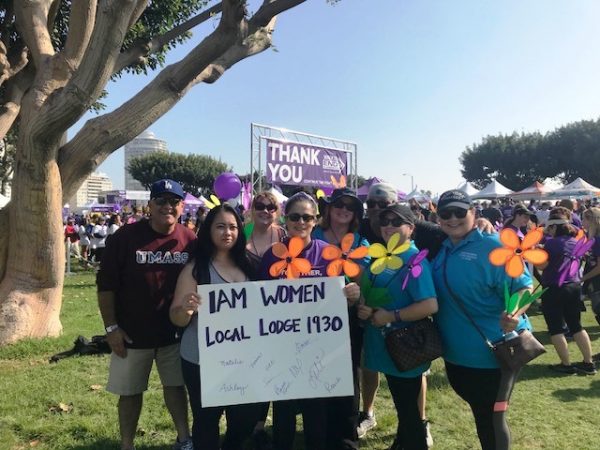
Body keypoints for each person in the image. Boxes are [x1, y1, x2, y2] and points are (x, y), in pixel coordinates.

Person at [97, 179, 196, 450]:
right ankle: (127, 444)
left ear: (182, 206)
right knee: (130, 393)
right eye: (161, 200)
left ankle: (184, 439)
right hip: (131, 333)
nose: (168, 206)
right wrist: (111, 328)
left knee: (176, 388)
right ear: (149, 205)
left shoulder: (190, 240)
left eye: (174, 201)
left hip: (175, 332)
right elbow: (106, 287)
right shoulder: (124, 238)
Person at [431, 189, 533, 450]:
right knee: (481, 414)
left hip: (494, 355)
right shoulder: (441, 247)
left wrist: (514, 313)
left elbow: (525, 287)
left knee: (492, 420)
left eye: (459, 212)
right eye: (445, 213)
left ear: (473, 214)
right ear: (438, 217)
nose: (452, 218)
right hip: (456, 356)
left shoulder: (494, 246)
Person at [259, 191, 361, 450]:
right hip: (282, 345)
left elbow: (343, 293)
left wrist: (352, 295)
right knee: (283, 409)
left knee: (316, 411)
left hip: (318, 346)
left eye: (307, 217)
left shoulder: (328, 253)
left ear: (315, 220)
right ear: (285, 218)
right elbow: (259, 299)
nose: (301, 222)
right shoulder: (272, 255)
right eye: (295, 216)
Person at [170, 204, 259, 450]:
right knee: (207, 419)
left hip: (244, 360)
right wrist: (185, 309)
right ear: (208, 230)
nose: (227, 232)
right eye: (220, 226)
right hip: (201, 360)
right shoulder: (195, 269)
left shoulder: (251, 266)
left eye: (232, 227)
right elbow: (176, 318)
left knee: (245, 417)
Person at [358, 204, 438, 450]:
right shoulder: (381, 255)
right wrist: (366, 308)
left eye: (396, 221)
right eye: (385, 222)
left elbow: (430, 304)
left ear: (411, 228)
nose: (389, 226)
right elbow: (381, 294)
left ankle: (413, 443)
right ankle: (403, 442)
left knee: (408, 411)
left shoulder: (414, 261)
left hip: (404, 346)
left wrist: (391, 315)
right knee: (402, 407)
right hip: (383, 345)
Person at [313, 187, 369, 449]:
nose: (344, 209)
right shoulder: (313, 233)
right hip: (311, 316)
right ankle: (318, 433)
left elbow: (363, 279)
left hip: (346, 316)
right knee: (316, 373)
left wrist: (356, 293)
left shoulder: (359, 242)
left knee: (346, 378)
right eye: (339, 204)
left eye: (350, 206)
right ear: (329, 207)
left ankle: (345, 438)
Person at [245, 191, 286, 448]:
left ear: (277, 211)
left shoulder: (284, 235)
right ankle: (252, 421)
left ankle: (269, 423)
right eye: (260, 205)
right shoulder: (240, 234)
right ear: (252, 207)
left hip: (279, 314)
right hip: (247, 312)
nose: (265, 210)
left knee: (275, 367)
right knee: (254, 367)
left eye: (271, 207)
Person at [535, 206, 596, 375]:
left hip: (555, 287)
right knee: (576, 325)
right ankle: (588, 363)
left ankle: (566, 364)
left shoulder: (551, 243)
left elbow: (543, 265)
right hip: (574, 286)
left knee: (555, 328)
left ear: (554, 227)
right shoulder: (575, 241)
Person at [581, 207, 600, 327]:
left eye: (584, 219)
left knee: (597, 307)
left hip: (597, 279)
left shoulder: (598, 240)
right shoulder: (593, 238)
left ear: (591, 220)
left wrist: (583, 279)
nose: (582, 222)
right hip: (595, 278)